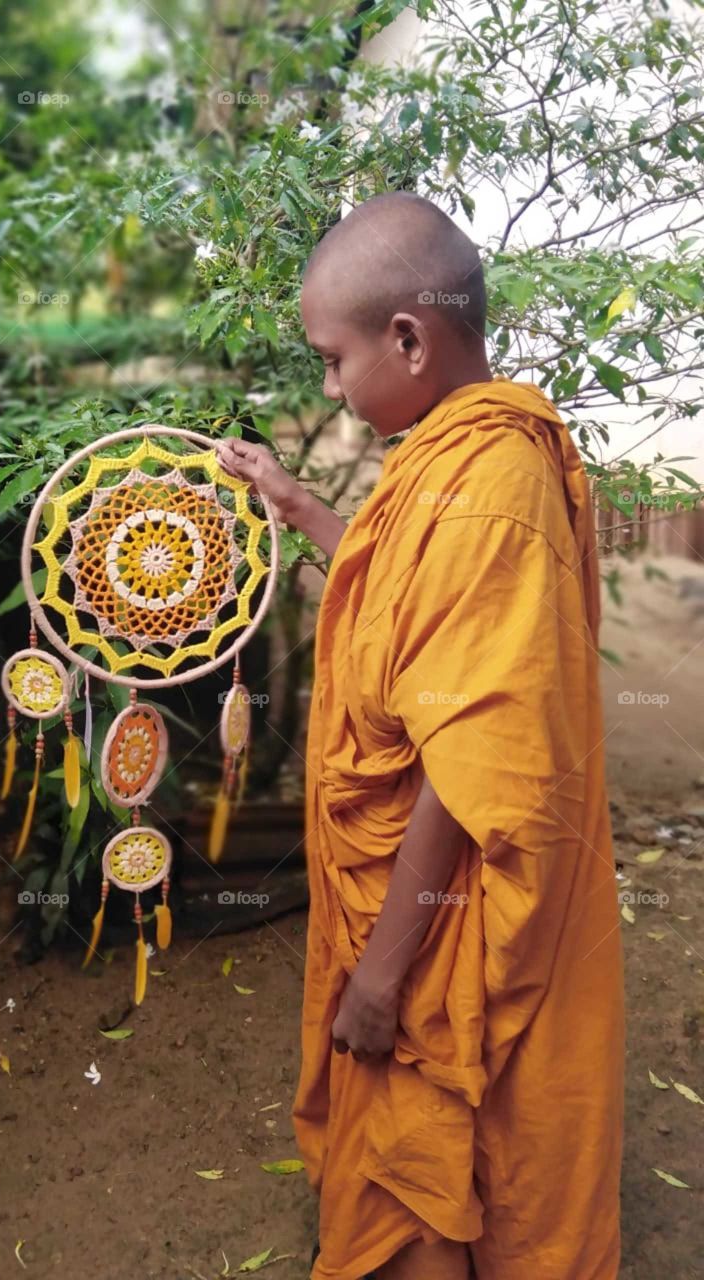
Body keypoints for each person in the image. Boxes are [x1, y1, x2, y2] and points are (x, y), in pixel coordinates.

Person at [214, 192, 624, 1280]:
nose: (330, 388)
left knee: (426, 1142)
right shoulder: (447, 458)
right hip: (409, 893)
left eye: (333, 360)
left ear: (409, 336)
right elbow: (412, 605)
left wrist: (384, 976)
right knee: (419, 1155)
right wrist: (298, 503)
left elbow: (467, 763)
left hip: (435, 908)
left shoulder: (494, 486)